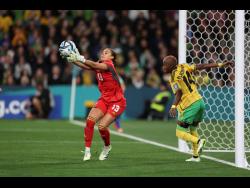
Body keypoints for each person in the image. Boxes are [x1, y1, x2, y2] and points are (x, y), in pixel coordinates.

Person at [162, 55, 233, 162]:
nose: (163, 67)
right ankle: (196, 156)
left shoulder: (173, 78)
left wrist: (173, 106)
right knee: (193, 129)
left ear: (171, 66)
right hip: (200, 102)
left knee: (180, 132)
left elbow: (178, 93)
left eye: (165, 64)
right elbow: (203, 66)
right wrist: (220, 64)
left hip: (190, 105)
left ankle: (199, 141)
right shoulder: (184, 66)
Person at [61, 47, 126, 161]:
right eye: (103, 51)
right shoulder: (99, 64)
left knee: (101, 126)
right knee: (90, 120)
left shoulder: (109, 65)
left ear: (112, 57)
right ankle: (87, 151)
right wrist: (71, 59)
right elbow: (85, 66)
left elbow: (94, 65)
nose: (103, 53)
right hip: (104, 100)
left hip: (117, 101)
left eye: (106, 52)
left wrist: (79, 57)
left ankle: (107, 147)